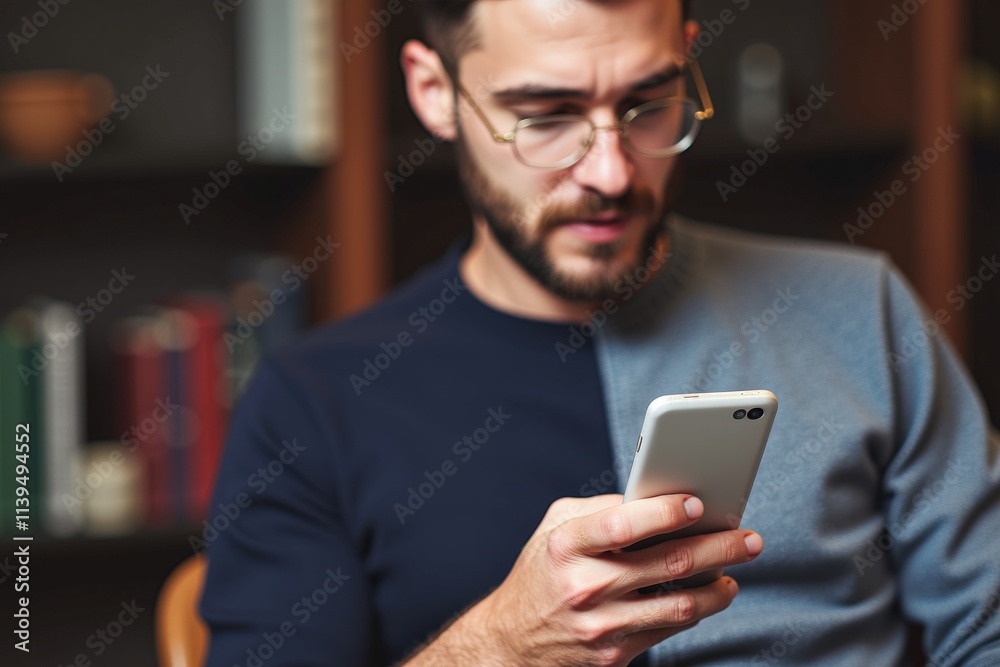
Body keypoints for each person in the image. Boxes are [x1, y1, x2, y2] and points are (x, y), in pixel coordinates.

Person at [200, 1, 1000, 665]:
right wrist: (502, 646)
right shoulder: (314, 401)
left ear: (687, 57)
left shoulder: (862, 310)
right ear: (434, 90)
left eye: (649, 104)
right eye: (546, 116)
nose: (611, 173)